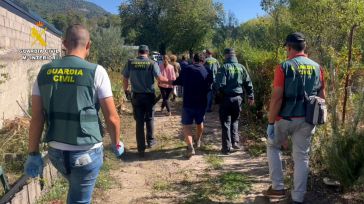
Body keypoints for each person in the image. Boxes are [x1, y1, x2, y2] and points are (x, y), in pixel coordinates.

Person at [24, 24, 124, 204]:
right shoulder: (96, 71)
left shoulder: (44, 72)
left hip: (56, 154)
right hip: (87, 153)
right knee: (80, 199)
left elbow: (37, 117)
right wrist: (116, 143)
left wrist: (33, 153)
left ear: (64, 44)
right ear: (88, 45)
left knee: (75, 192)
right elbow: (112, 117)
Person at [264, 32, 325, 204]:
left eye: (286, 48)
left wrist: (270, 122)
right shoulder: (317, 67)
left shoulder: (283, 67)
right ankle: (297, 198)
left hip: (285, 118)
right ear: (304, 47)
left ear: (289, 48)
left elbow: (277, 97)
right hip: (307, 119)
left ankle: (277, 188)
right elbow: (322, 95)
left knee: (273, 146)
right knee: (302, 157)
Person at [122, 45, 168, 157]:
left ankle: (141, 148)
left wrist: (126, 90)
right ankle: (151, 142)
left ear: (138, 52)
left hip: (136, 96)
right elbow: (160, 79)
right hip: (149, 96)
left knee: (139, 122)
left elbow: (125, 78)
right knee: (150, 118)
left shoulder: (130, 63)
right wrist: (170, 80)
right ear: (148, 52)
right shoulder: (152, 63)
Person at [215, 48, 254, 155]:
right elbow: (248, 82)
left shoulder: (224, 67)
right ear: (234, 55)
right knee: (235, 120)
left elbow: (219, 85)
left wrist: (217, 95)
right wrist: (251, 96)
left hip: (226, 98)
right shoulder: (241, 67)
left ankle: (226, 148)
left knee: (225, 123)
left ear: (226, 55)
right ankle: (235, 142)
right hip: (238, 98)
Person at [172, 53, 212, 158]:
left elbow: (178, 81)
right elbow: (210, 86)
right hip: (201, 103)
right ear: (203, 61)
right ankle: (198, 141)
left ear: (193, 60)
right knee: (200, 122)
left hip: (188, 103)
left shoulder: (186, 69)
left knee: (186, 126)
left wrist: (171, 81)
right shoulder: (207, 70)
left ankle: (190, 147)